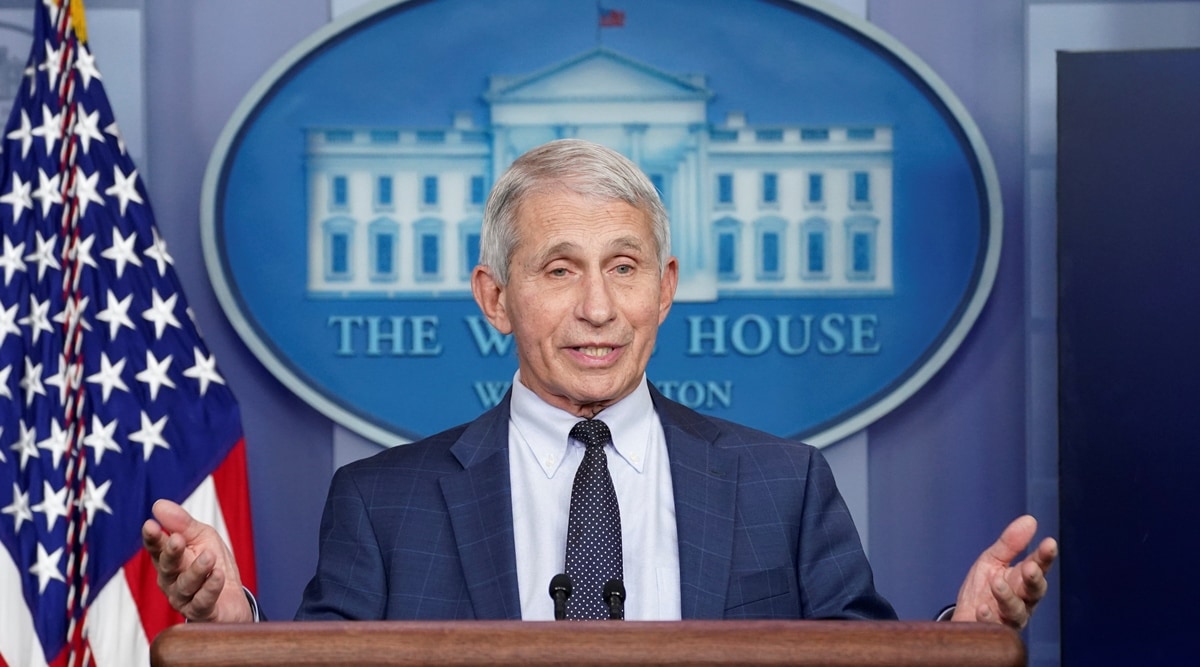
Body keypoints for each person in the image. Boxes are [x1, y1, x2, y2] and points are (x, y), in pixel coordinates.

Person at [143, 138, 1056, 625]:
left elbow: (863, 665)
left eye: (624, 267)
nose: (597, 307)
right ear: (495, 298)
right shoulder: (381, 503)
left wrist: (961, 644)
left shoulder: (785, 484)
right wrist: (231, 620)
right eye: (558, 269)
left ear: (664, 290)